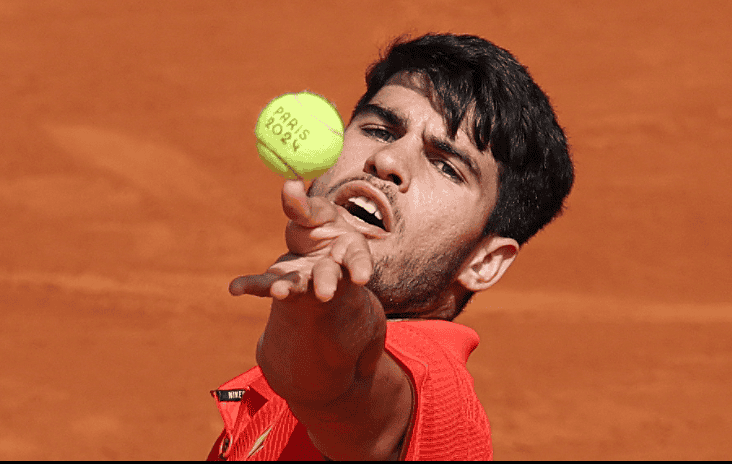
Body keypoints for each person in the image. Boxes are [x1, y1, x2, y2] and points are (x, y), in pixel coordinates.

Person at [208, 33, 574, 461]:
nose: (388, 161)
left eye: (447, 166)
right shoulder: (277, 392)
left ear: (485, 261)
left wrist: (329, 312)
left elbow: (345, 392)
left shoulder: (435, 391)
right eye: (381, 130)